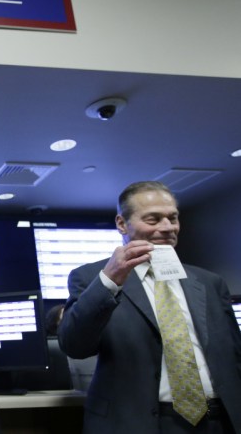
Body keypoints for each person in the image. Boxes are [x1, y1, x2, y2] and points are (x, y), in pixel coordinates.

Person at [58, 181, 241, 433]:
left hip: (217, 420)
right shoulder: (91, 277)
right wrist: (109, 281)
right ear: (122, 224)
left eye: (173, 218)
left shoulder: (209, 282)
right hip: (138, 421)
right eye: (153, 220)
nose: (167, 227)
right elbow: (74, 345)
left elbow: (234, 355)